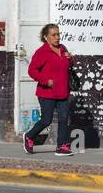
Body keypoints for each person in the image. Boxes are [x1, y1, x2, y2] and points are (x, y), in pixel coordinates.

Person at [23, 23, 74, 156]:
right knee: (46, 120)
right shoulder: (42, 52)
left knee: (64, 118)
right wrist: (46, 81)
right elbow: (32, 70)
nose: (57, 37)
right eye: (54, 35)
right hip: (47, 93)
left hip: (62, 91)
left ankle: (61, 146)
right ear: (46, 37)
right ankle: (29, 136)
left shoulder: (62, 48)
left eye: (58, 34)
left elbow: (67, 65)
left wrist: (71, 59)